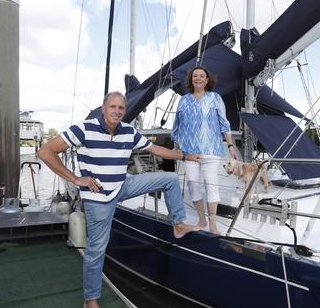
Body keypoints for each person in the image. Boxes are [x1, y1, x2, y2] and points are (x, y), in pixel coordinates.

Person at [37, 91, 201, 308]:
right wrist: (76, 179)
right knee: (97, 249)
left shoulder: (129, 132)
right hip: (98, 196)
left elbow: (155, 149)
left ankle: (178, 224)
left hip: (122, 185)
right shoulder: (84, 129)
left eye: (121, 108)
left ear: (124, 111)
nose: (117, 111)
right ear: (103, 108)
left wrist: (184, 156)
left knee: (170, 178)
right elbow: (46, 152)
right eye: (112, 107)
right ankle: (91, 300)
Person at [172, 66, 237, 234]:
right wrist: (176, 147)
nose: (198, 78)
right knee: (193, 185)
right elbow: (177, 125)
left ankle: (213, 223)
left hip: (211, 150)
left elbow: (224, 123)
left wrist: (230, 145)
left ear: (207, 80)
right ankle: (202, 220)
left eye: (202, 76)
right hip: (189, 152)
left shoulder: (215, 98)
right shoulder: (183, 100)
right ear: (191, 80)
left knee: (211, 185)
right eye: (195, 76)